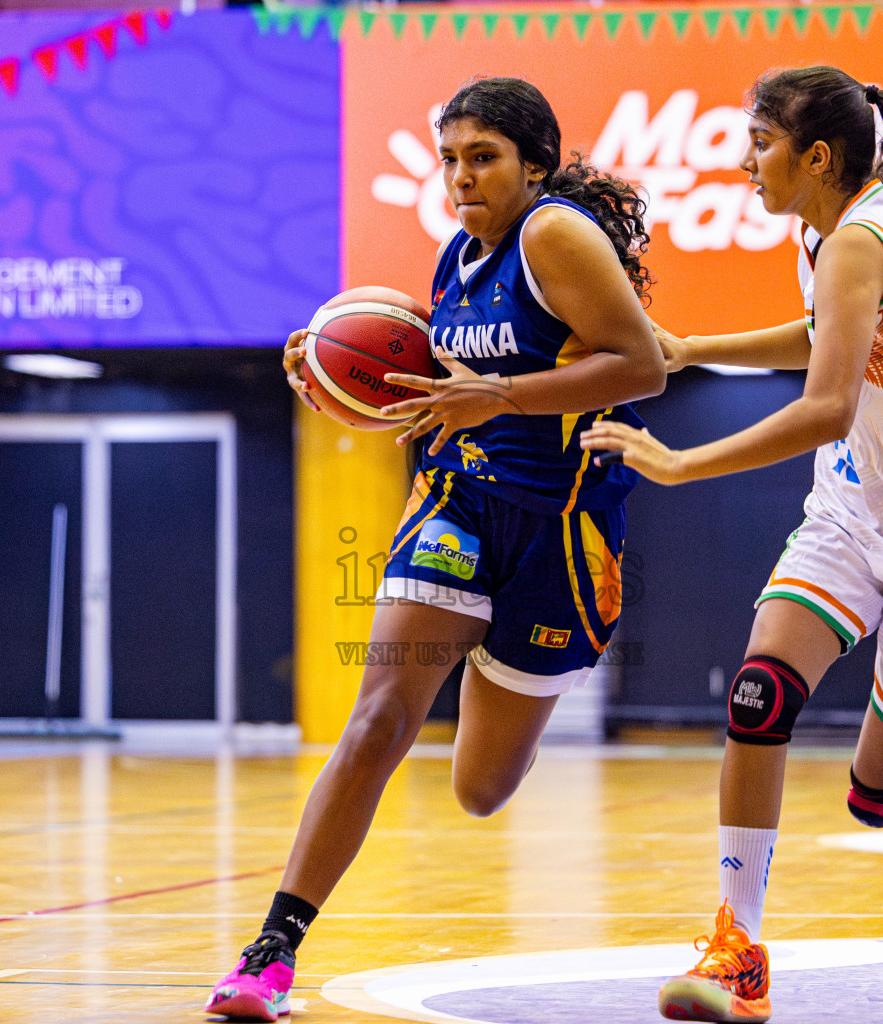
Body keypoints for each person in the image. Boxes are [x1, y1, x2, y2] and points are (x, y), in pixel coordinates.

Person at [581, 66, 883, 1023]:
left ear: (818, 155)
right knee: (762, 693)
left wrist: (679, 463)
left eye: (760, 142)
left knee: (881, 793)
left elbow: (827, 402)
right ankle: (737, 944)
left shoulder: (859, 241)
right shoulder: (831, 231)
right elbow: (824, 338)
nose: (747, 162)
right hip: (858, 506)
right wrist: (692, 346)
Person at [205, 76, 665, 1021]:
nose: (460, 177)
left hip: (561, 533)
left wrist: (496, 397)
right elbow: (431, 382)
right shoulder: (458, 256)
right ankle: (269, 954)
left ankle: (513, 707)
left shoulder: (552, 237)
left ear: (535, 165)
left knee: (481, 789)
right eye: (450, 158)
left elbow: (642, 367)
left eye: (483, 157)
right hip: (456, 505)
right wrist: (340, 376)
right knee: (378, 720)